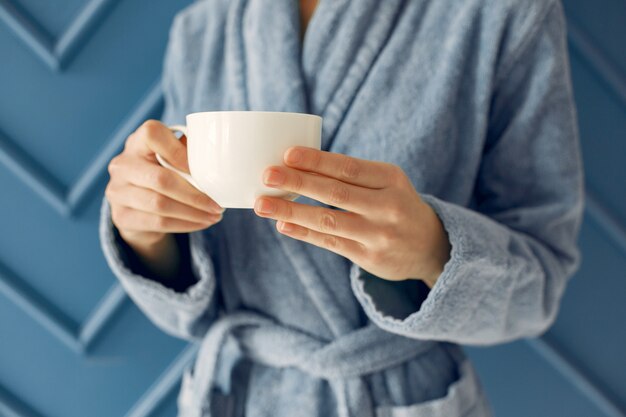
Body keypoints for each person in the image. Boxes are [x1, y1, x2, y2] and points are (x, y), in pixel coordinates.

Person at [100, 0, 583, 415]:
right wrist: (145, 231)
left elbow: (540, 284)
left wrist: (434, 250)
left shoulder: (503, 12)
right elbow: (190, 308)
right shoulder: (202, 28)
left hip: (400, 394)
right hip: (239, 390)